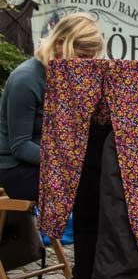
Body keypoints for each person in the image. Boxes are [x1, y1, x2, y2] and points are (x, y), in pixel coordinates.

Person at [0, 13, 105, 201]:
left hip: (53, 164)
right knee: (92, 188)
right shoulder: (26, 80)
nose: (86, 65)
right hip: (19, 170)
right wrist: (68, 161)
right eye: (81, 57)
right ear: (60, 44)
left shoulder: (66, 77)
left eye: (90, 59)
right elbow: (20, 147)